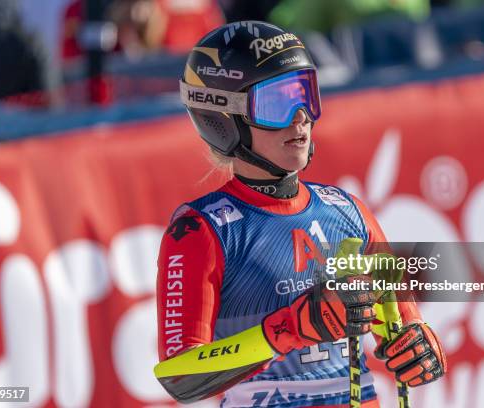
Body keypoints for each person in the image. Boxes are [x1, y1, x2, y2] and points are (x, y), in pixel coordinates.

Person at [154, 21, 446, 407]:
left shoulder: (347, 210)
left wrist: (420, 346)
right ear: (224, 119)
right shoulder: (200, 230)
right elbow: (180, 374)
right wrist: (291, 328)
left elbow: (402, 320)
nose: (301, 117)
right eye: (278, 103)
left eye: (305, 94)